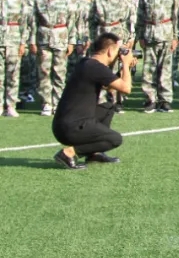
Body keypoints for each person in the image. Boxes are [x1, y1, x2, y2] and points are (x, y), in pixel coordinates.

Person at [52, 33, 137, 169]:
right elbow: (126, 88)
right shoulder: (96, 68)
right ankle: (68, 153)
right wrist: (126, 65)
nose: (119, 55)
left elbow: (111, 87)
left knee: (108, 108)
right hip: (70, 128)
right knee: (115, 139)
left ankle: (94, 153)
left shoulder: (87, 63)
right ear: (110, 51)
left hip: (65, 123)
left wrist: (124, 67)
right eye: (118, 51)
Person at [0, 0, 31, 118]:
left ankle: (11, 105)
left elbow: (24, 24)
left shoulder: (20, 1)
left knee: (13, 75)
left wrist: (23, 43)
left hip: (13, 41)